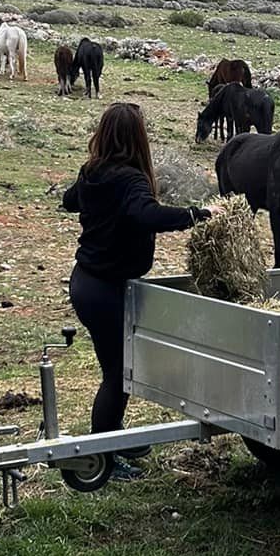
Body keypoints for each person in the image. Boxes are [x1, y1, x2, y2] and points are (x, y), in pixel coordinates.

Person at [61, 102, 209, 469]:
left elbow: (69, 201)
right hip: (105, 291)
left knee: (115, 367)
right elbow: (147, 215)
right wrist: (196, 214)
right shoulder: (131, 179)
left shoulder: (92, 171)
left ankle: (115, 435)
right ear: (138, 137)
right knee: (118, 374)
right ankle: (102, 457)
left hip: (86, 283)